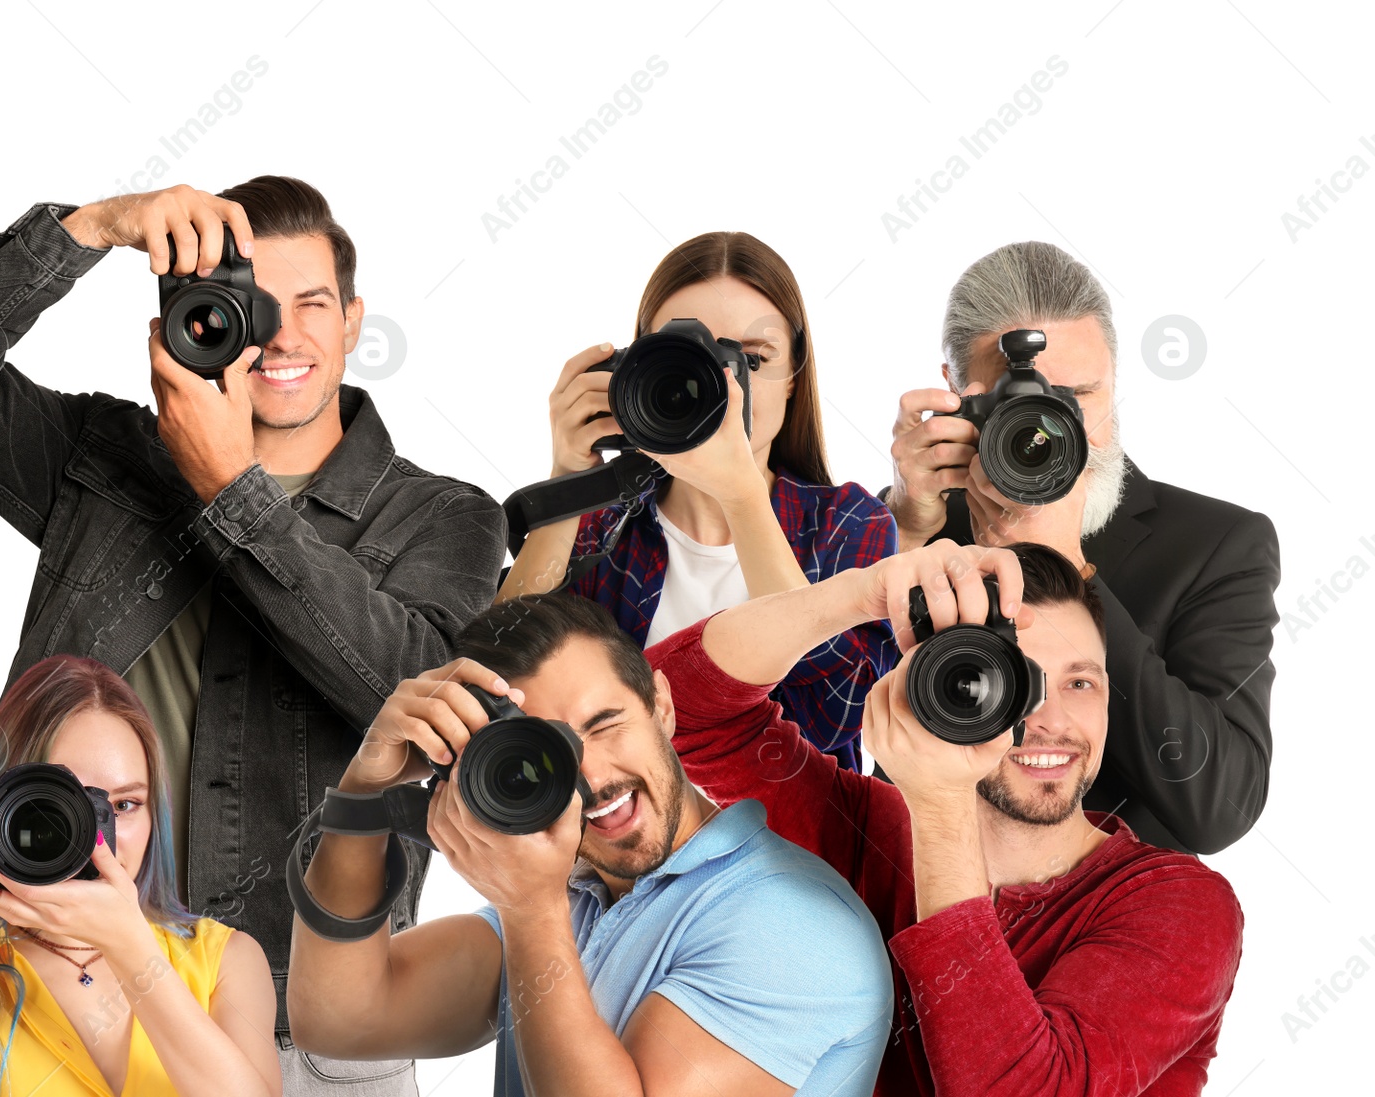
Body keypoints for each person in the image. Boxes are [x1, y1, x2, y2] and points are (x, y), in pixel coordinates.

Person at [0, 179, 508, 1094]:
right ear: (193, 321)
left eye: (313, 305)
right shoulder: (104, 457)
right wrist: (95, 227)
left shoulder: (443, 518)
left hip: (314, 1026)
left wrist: (230, 487)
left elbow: (410, 704)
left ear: (355, 320)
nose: (283, 337)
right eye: (252, 307)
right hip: (54, 985)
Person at [655, 539, 1245, 1096]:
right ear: (951, 688)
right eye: (1017, 682)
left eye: (1081, 682)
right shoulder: (872, 828)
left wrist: (941, 807)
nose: (1053, 720)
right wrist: (860, 593)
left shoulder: (1180, 906)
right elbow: (671, 708)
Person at [285, 594, 894, 1097]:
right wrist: (361, 795)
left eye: (605, 726)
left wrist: (532, 911)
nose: (593, 776)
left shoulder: (793, 923)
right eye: (553, 753)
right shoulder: (573, 899)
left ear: (662, 706)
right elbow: (339, 1021)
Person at [883, 242, 1278, 853]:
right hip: (913, 910)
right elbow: (819, 742)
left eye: (1075, 399)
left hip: (1121, 923)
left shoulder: (1215, 545)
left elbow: (1219, 807)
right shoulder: (913, 529)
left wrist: (1067, 564)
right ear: (955, 393)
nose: (1045, 430)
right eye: (1016, 400)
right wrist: (901, 531)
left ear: (1115, 381)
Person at [498, 231, 896, 767]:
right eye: (690, 361)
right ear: (637, 371)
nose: (724, 385)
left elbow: (828, 716)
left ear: (794, 381)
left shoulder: (847, 522)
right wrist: (567, 482)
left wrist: (740, 493)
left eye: (751, 361)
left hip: (794, 850)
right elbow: (502, 696)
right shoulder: (597, 528)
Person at [0, 655, 281, 1097]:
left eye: (123, 805)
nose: (95, 839)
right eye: (62, 808)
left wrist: (131, 949)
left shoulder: (227, 960)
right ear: (4, 810)